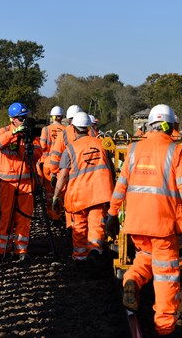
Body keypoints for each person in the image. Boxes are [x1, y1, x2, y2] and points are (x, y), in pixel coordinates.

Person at [105, 104, 182, 336]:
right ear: (170, 126)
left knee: (145, 257)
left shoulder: (133, 150)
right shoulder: (175, 150)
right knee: (166, 275)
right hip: (161, 224)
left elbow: (121, 185)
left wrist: (111, 214)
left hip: (136, 223)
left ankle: (131, 280)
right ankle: (165, 327)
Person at [52, 112, 113, 272]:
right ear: (88, 127)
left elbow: (63, 175)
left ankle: (80, 262)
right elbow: (110, 169)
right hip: (99, 194)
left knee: (79, 228)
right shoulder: (101, 145)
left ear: (73, 128)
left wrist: (56, 196)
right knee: (96, 227)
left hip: (78, 196)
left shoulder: (70, 149)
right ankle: (94, 253)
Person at [0, 102, 42, 261]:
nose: (24, 120)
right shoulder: (3, 132)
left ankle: (21, 251)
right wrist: (13, 133)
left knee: (24, 218)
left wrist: (29, 146)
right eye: (21, 118)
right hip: (7, 183)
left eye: (25, 117)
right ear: (12, 119)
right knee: (7, 217)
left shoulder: (30, 133)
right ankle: (3, 250)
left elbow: (39, 152)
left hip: (26, 181)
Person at [39, 106, 65, 220]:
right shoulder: (65, 130)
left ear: (52, 117)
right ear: (62, 117)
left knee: (49, 193)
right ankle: (58, 214)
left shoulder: (46, 130)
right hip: (60, 164)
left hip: (47, 164)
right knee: (58, 191)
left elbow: (42, 146)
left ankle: (51, 214)